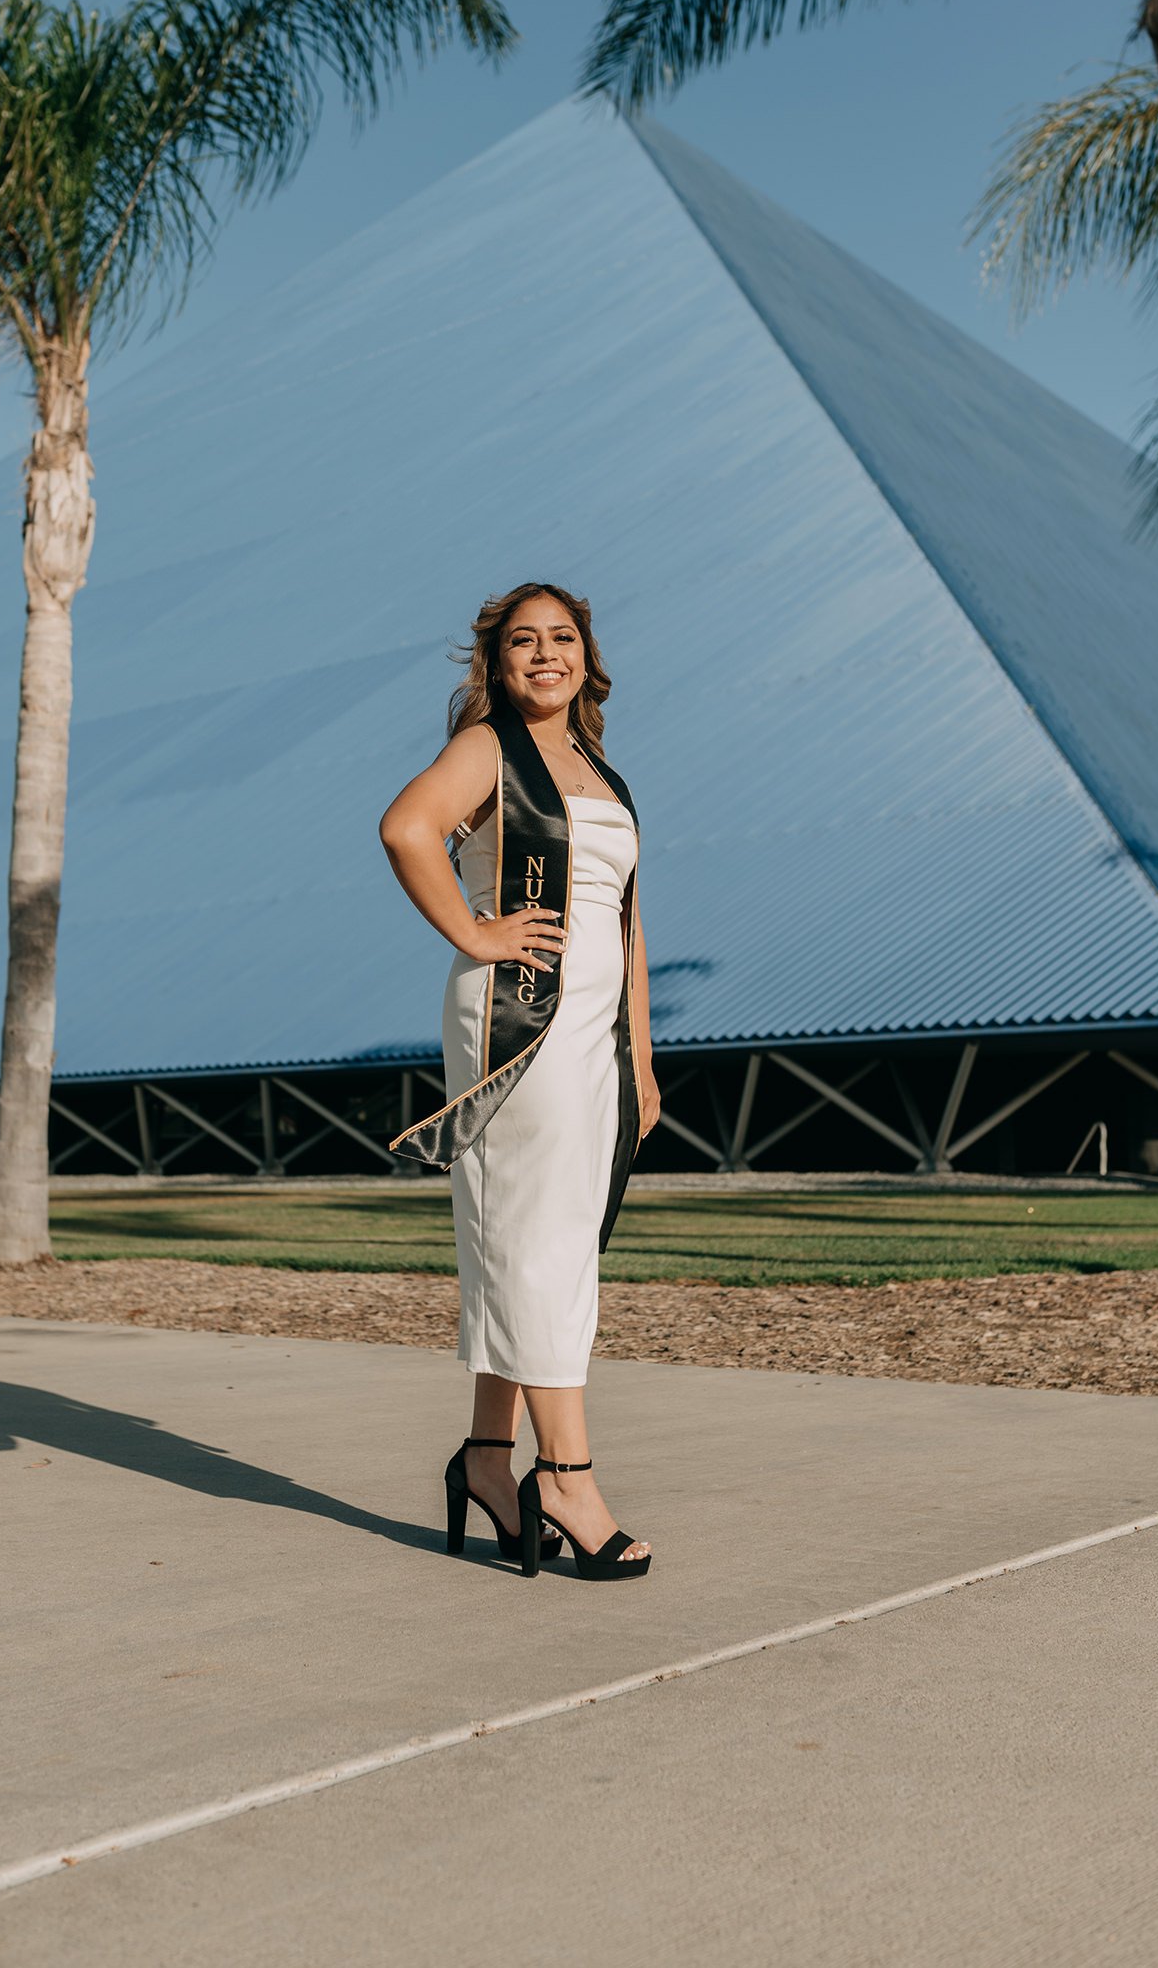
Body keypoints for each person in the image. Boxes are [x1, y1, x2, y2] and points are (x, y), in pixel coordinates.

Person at [379, 583, 660, 1580]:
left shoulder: (597, 768)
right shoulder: (487, 750)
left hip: (594, 1033)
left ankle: (489, 1462)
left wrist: (641, 1054)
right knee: (540, 1239)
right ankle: (568, 1478)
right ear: (496, 666)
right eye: (524, 642)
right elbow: (407, 828)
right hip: (517, 1026)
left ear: (587, 655)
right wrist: (474, 932)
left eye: (564, 638)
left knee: (547, 1234)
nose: (548, 654)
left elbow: (625, 922)